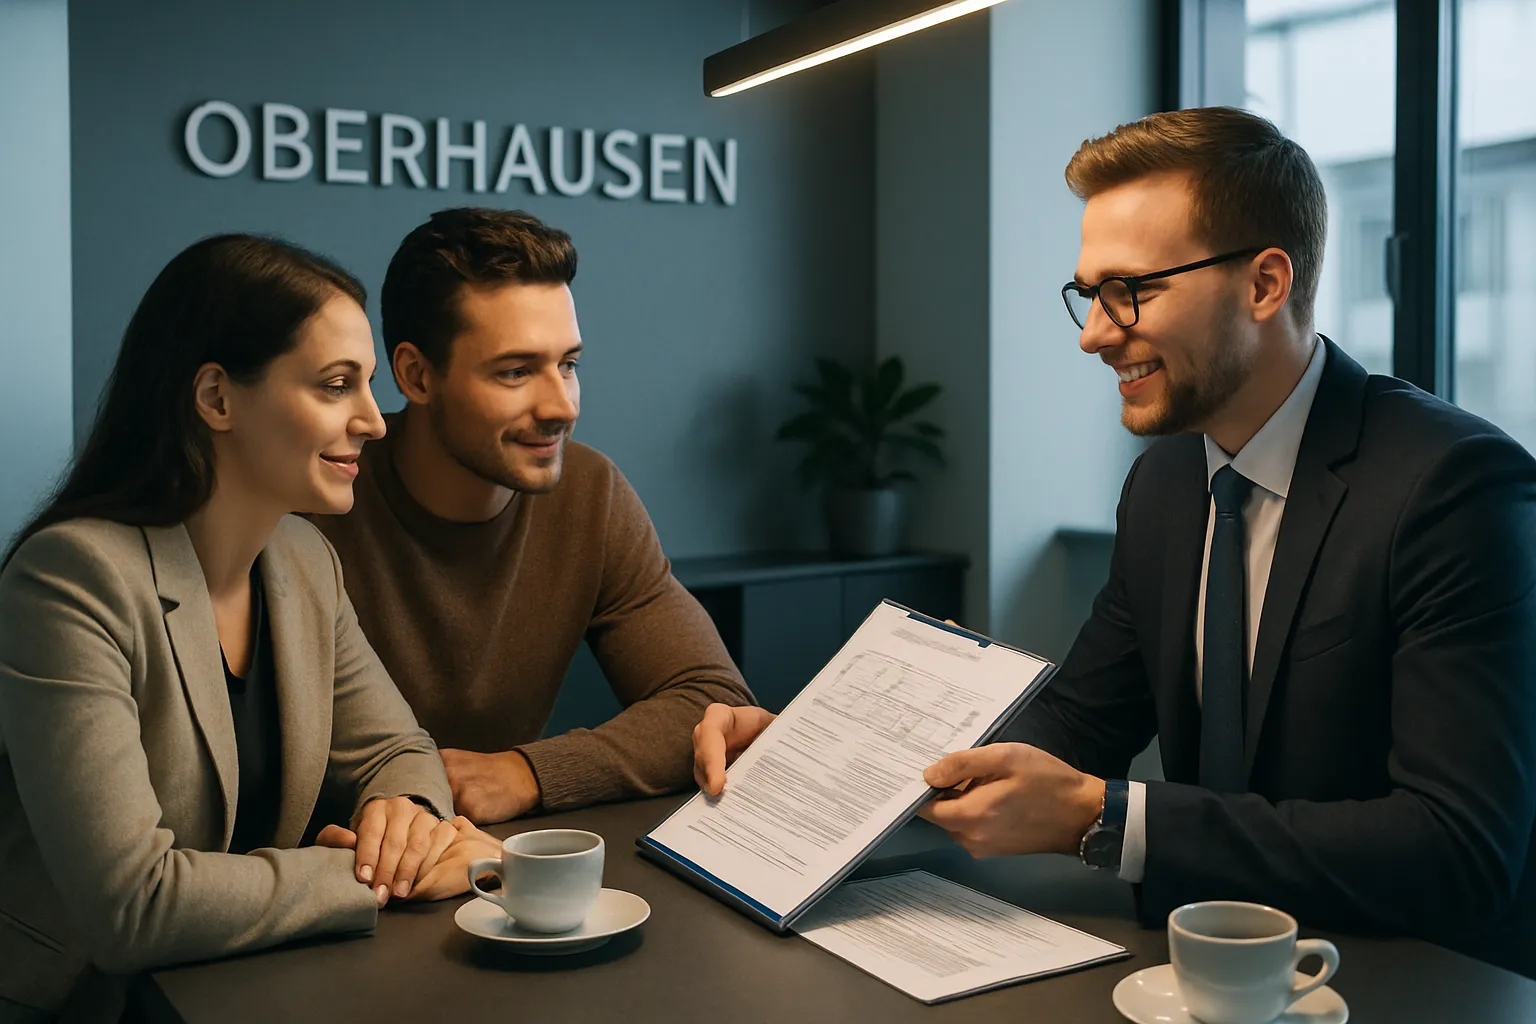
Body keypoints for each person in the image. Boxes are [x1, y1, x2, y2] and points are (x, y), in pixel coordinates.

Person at [691, 107, 1536, 971]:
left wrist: (1107, 818)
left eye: (1132, 290)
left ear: (1264, 284)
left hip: (1414, 980)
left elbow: (1458, 850)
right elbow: (1080, 719)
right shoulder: (1168, 482)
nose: (1095, 333)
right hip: (1204, 968)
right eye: (1089, 295)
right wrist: (821, 751)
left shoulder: (1454, 487)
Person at [0, 235, 500, 1021]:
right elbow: (134, 908)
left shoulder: (302, 559)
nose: (374, 419)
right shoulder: (70, 579)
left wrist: (408, 822)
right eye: (337, 386)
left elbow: (399, 751)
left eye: (368, 385)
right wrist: (379, 878)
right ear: (217, 398)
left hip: (248, 986)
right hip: (86, 1006)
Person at [309, 208, 754, 826]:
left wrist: (528, 772)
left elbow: (711, 704)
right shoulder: (317, 501)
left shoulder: (590, 494)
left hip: (497, 863)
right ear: (416, 375)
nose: (561, 405)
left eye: (568, 365)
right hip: (332, 868)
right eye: (516, 372)